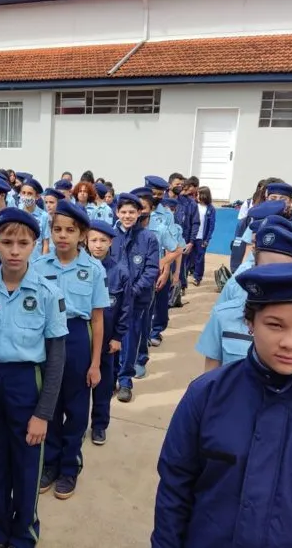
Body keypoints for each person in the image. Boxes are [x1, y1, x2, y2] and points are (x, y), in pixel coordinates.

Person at [152, 263, 292, 548]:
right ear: (250, 322)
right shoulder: (206, 396)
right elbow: (175, 490)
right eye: (275, 325)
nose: (290, 342)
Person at [0, 208, 69, 548]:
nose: (14, 250)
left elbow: (57, 356)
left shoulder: (47, 292)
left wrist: (43, 414)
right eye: (7, 242)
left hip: (27, 384)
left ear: (35, 245)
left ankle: (23, 537)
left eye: (23, 243)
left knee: (27, 470)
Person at [197, 216, 292, 374]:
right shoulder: (224, 316)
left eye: (287, 272)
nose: (276, 280)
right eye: (267, 270)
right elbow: (211, 375)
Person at [33, 200, 108, 500]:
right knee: (48, 403)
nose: (63, 236)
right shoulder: (37, 266)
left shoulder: (93, 269)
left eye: (70, 230)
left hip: (77, 337)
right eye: (57, 229)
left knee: (76, 409)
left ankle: (69, 466)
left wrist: (95, 363)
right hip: (45, 338)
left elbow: (99, 320)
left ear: (82, 235)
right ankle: (49, 463)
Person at [110, 192, 159, 401]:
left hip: (136, 300)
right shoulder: (111, 235)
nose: (128, 216)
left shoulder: (148, 238)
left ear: (140, 213)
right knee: (109, 340)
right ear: (117, 212)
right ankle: (110, 378)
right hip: (111, 299)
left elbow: (151, 269)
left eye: (132, 212)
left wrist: (134, 291)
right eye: (123, 212)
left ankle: (125, 381)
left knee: (129, 340)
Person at [86, 220, 130, 443]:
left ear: (111, 242)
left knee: (103, 387)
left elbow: (125, 308)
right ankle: (78, 423)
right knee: (80, 387)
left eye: (103, 240)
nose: (98, 245)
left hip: (107, 342)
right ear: (86, 240)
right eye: (93, 240)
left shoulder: (120, 272)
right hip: (84, 341)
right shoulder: (80, 269)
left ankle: (99, 425)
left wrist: (118, 337)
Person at [143, 177, 182, 353]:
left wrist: (166, 270)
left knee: (160, 303)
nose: (157, 197)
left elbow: (172, 245)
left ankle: (156, 331)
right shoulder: (135, 210)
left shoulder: (166, 215)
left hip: (159, 264)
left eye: (160, 194)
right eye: (154, 194)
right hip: (137, 267)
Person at [18, 178, 51, 259]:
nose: (26, 196)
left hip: (36, 261)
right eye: (23, 193)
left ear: (37, 196)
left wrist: (43, 263)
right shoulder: (17, 213)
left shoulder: (44, 216)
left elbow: (45, 243)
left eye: (29, 194)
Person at [192, 185, 215, 286]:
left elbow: (211, 226)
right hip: (192, 237)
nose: (196, 196)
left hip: (202, 238)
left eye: (198, 194)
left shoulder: (210, 209)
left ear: (204, 195)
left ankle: (197, 277)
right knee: (188, 257)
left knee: (200, 258)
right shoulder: (193, 205)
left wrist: (207, 239)